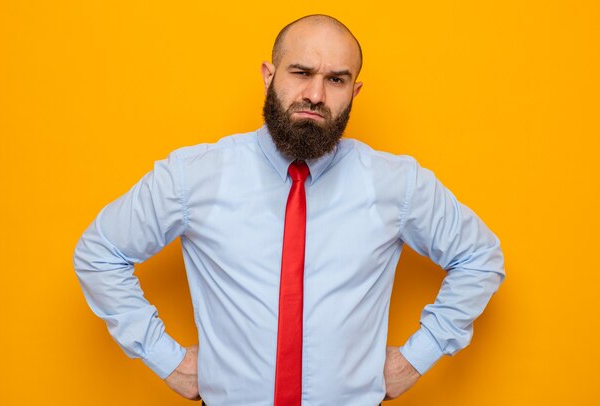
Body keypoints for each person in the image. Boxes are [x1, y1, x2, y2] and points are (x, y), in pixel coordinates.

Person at [73, 14, 505, 406]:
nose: (315, 94)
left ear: (354, 92)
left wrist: (417, 357)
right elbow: (100, 252)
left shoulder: (395, 183)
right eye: (301, 72)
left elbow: (479, 258)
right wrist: (166, 359)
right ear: (269, 75)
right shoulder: (193, 176)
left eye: (336, 80)